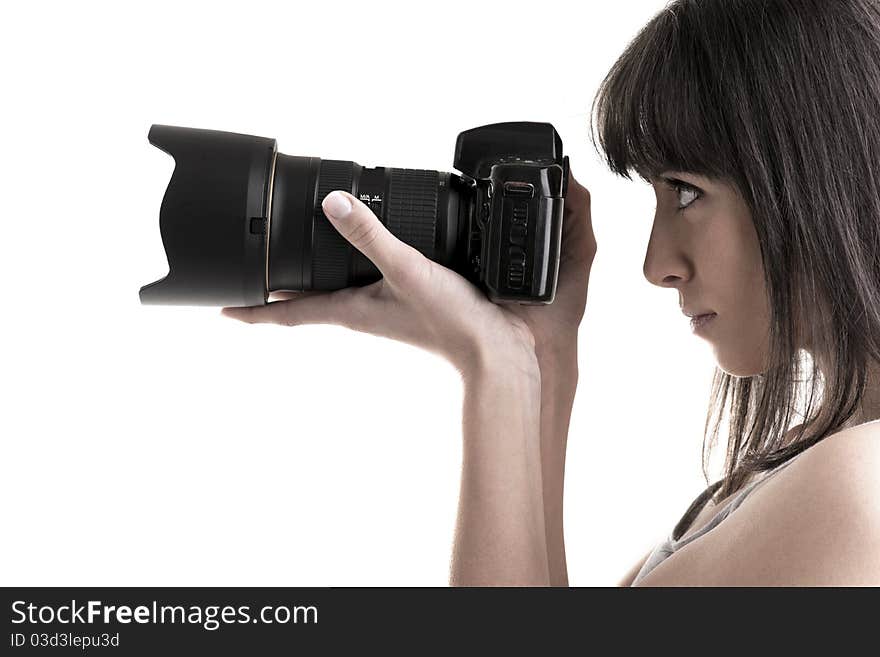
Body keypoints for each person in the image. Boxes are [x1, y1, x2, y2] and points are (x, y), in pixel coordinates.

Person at [222, 0, 880, 586]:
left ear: (820, 177)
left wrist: (498, 371)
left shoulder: (852, 491)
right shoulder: (813, 463)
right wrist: (541, 353)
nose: (657, 264)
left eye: (686, 192)